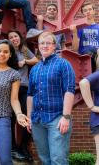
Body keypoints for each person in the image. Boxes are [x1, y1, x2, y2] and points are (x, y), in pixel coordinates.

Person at [27, 32, 76, 165]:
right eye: (42, 43)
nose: (45, 45)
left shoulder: (63, 64)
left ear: (54, 46)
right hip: (37, 120)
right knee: (44, 159)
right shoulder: (34, 69)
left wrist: (66, 117)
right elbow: (30, 94)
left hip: (57, 118)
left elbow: (69, 91)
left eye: (48, 43)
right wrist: (29, 117)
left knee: (58, 159)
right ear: (38, 46)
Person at [7, 30, 39, 162]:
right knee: (11, 119)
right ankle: (13, 148)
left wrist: (24, 61)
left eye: (16, 36)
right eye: (11, 37)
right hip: (10, 88)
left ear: (19, 38)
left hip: (24, 87)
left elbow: (36, 60)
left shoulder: (24, 50)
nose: (14, 39)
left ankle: (24, 146)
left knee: (27, 117)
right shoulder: (8, 51)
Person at [71, 2, 99, 70]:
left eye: (90, 9)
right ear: (83, 14)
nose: (88, 12)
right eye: (85, 10)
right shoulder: (79, 28)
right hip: (85, 58)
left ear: (94, 11)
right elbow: (75, 49)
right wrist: (75, 33)